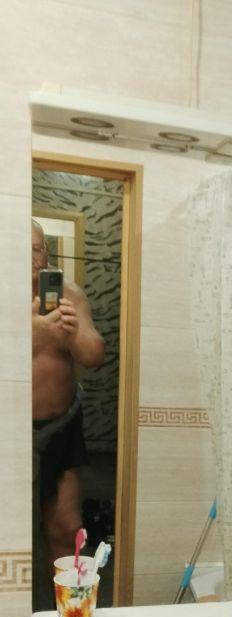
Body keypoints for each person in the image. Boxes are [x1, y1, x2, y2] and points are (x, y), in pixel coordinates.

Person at [31, 219, 105, 576]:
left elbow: (94, 356)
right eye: (23, 249)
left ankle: (67, 606)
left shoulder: (68, 293)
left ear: (46, 253)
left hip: (62, 427)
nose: (32, 257)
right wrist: (32, 334)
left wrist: (75, 334)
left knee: (66, 527)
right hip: (10, 433)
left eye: (37, 249)